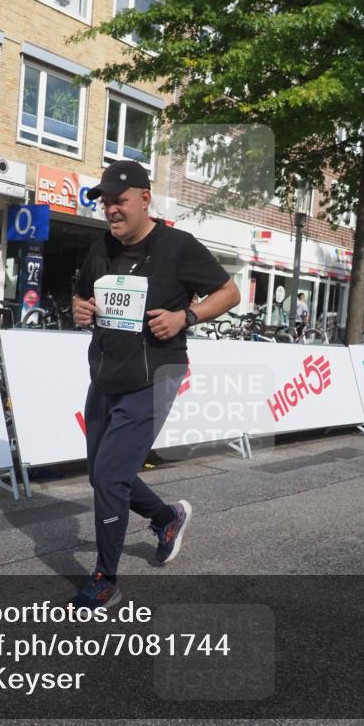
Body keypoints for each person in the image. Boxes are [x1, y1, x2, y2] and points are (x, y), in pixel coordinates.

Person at [70, 160, 240, 609]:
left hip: (156, 374)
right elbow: (80, 295)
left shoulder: (178, 247)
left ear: (145, 199)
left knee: (109, 476)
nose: (111, 210)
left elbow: (229, 292)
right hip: (106, 374)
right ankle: (167, 518)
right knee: (102, 473)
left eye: (119, 201)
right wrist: (80, 309)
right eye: (105, 202)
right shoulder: (100, 249)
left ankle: (105, 580)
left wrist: (186, 316)